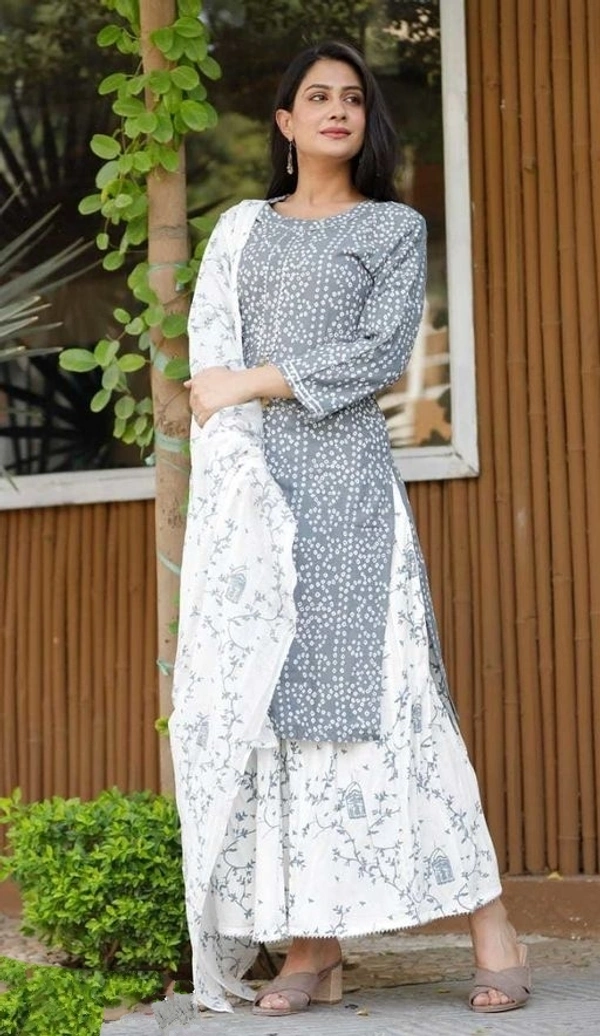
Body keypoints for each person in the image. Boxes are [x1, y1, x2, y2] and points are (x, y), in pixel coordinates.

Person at [173, 39, 531, 1018]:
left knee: (395, 702)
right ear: (285, 123)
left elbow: (377, 354)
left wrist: (250, 382)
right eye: (318, 96)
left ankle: (493, 924)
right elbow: (206, 366)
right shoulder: (241, 231)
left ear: (366, 122)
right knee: (284, 716)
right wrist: (232, 419)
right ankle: (314, 946)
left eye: (354, 98)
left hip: (348, 494)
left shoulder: (391, 227)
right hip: (255, 500)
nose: (338, 109)